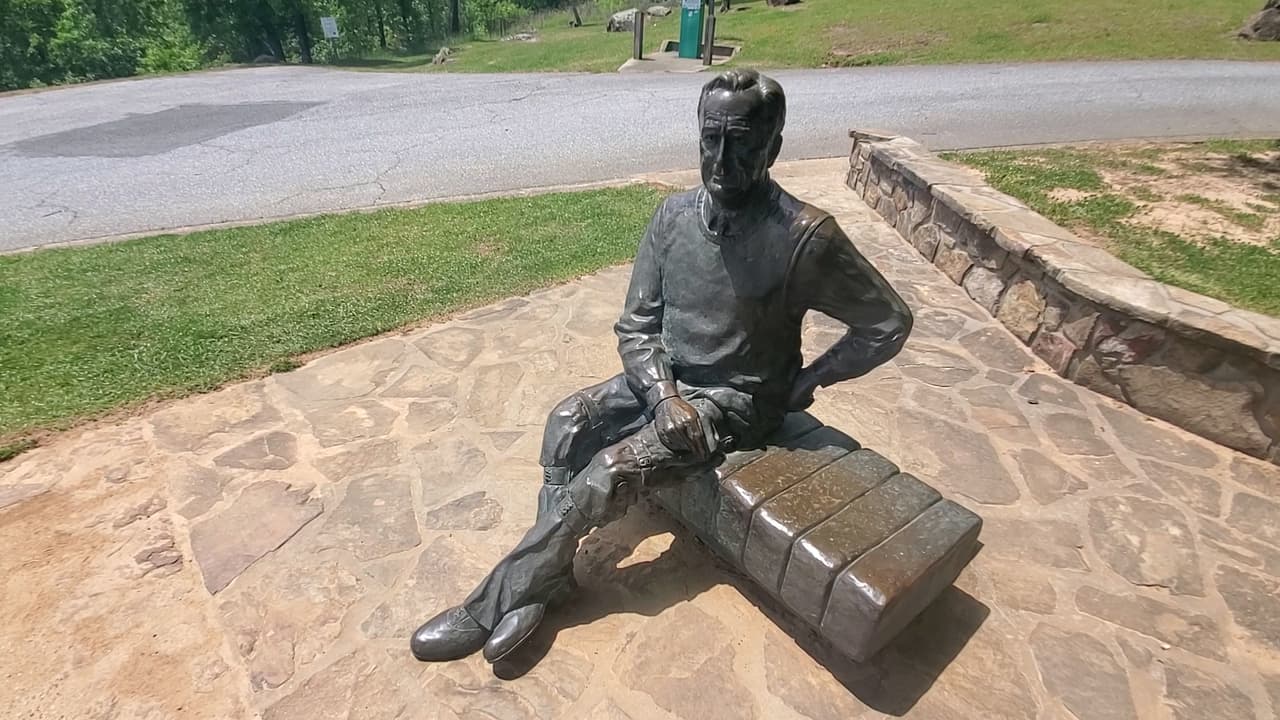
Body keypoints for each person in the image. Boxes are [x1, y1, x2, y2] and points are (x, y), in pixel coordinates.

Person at [410, 68, 913, 664]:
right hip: (667, 382)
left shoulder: (806, 238)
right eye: (710, 139)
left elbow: (887, 321)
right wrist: (662, 395)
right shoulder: (672, 218)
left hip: (735, 402)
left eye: (742, 142)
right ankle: (544, 581)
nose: (721, 159)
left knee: (609, 469)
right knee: (567, 421)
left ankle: (493, 602)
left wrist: (807, 382)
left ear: (773, 147)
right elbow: (637, 326)